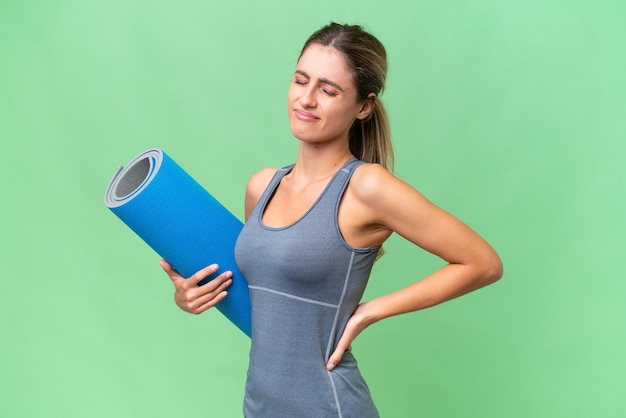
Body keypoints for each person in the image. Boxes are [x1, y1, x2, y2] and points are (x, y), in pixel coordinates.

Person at [160, 22, 503, 418]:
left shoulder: (366, 187)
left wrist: (370, 311)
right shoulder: (262, 186)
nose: (306, 99)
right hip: (259, 407)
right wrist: (190, 295)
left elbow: (483, 262)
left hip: (329, 406)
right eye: (300, 80)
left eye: (328, 90)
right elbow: (267, 301)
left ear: (363, 106)